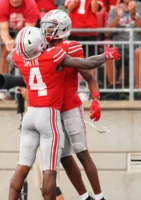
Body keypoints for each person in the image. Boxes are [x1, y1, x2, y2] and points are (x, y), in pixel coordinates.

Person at [7, 26, 120, 200]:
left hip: (30, 114)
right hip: (48, 115)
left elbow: (10, 56)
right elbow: (86, 63)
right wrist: (106, 56)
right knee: (49, 171)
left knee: (22, 167)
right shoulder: (53, 55)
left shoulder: (18, 58)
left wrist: (21, 49)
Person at [40, 9, 105, 200]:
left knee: (81, 152)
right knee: (63, 155)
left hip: (69, 105)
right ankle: (85, 197)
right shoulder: (40, 48)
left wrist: (95, 99)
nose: (47, 30)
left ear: (63, 28)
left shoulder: (71, 47)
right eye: (46, 26)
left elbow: (88, 75)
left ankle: (100, 197)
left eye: (51, 26)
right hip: (51, 108)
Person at [18, 87, 65, 200]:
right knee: (43, 186)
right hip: (37, 139)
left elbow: (43, 109)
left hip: (47, 138)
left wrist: (29, 98)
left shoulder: (47, 85)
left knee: (52, 186)